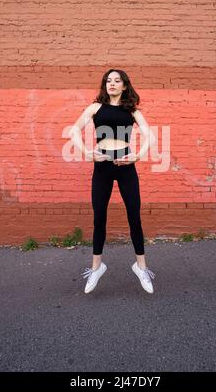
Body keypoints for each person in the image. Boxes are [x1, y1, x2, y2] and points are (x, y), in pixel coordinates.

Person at [69, 69, 156, 294]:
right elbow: (74, 130)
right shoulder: (95, 107)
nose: (112, 84)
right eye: (109, 81)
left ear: (125, 86)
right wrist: (87, 153)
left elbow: (149, 135)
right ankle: (97, 267)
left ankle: (141, 267)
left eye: (117, 81)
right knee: (100, 217)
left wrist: (138, 155)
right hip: (102, 164)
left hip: (126, 165)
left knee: (134, 217)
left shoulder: (132, 110)